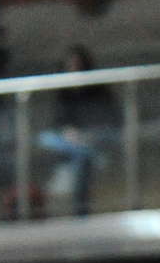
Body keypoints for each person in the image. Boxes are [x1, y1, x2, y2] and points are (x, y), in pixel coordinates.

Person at [40, 45, 119, 217]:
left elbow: (107, 119)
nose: (73, 70)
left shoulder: (98, 89)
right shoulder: (64, 91)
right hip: (71, 140)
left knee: (81, 156)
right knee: (46, 139)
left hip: (94, 136)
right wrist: (68, 131)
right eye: (70, 66)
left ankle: (79, 205)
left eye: (77, 66)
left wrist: (86, 134)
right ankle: (84, 155)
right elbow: (59, 120)